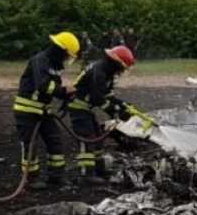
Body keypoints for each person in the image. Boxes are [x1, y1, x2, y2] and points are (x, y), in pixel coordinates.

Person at [66, 45, 144, 184]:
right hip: (78, 107)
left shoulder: (107, 73)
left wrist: (124, 106)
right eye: (122, 67)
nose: (121, 71)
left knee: (97, 137)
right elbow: (98, 99)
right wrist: (115, 111)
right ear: (116, 63)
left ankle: (99, 170)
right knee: (87, 138)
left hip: (87, 109)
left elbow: (108, 96)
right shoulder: (99, 72)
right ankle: (86, 175)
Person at [13, 31, 81, 190]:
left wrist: (65, 97)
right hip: (27, 110)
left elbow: (52, 89)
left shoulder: (55, 65)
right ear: (60, 50)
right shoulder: (40, 60)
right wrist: (64, 91)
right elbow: (43, 85)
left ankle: (56, 177)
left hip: (43, 111)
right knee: (30, 145)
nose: (66, 60)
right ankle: (31, 180)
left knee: (55, 140)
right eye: (67, 55)